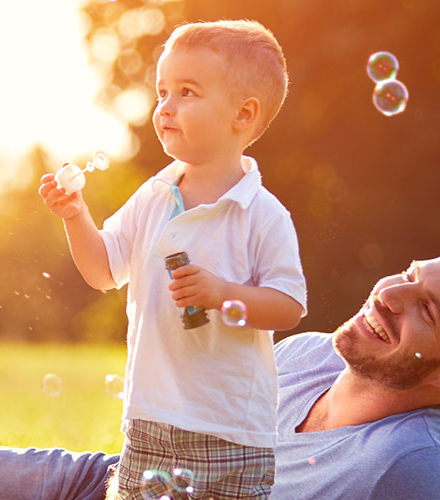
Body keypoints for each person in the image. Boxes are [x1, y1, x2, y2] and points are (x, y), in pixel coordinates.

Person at [0, 237, 440, 500]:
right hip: (107, 482)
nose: (391, 294)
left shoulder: (412, 467)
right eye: (411, 276)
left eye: (428, 309)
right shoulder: (308, 354)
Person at [36, 19, 305, 499]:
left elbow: (288, 306)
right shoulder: (153, 196)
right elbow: (102, 272)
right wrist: (76, 216)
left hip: (233, 431)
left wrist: (223, 294)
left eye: (187, 92)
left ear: (242, 115)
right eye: (162, 92)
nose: (165, 107)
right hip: (151, 420)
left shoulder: (261, 213)